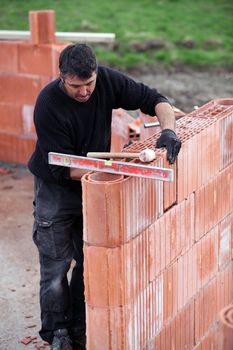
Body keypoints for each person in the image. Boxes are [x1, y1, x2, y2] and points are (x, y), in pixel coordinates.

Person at [28, 43, 181, 350]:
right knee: (56, 267)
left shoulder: (107, 81)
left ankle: (81, 327)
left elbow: (156, 100)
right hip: (56, 188)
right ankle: (58, 333)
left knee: (91, 261)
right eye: (76, 86)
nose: (85, 92)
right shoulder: (48, 104)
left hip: (93, 187)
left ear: (96, 74)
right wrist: (112, 169)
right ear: (62, 78)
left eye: (89, 84)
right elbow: (61, 167)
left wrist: (169, 131)